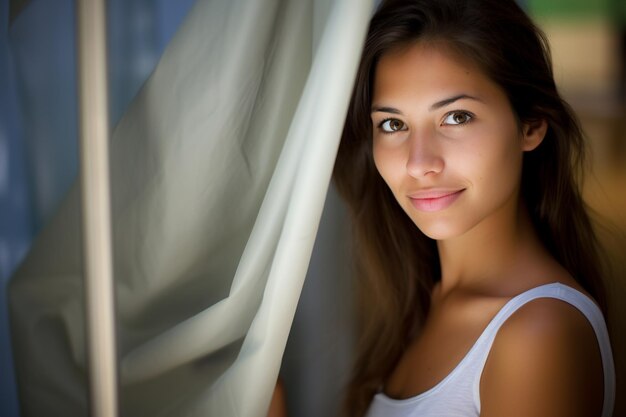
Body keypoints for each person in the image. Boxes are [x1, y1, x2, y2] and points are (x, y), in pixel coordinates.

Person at [332, 0, 616, 416]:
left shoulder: (537, 332)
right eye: (393, 124)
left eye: (456, 117)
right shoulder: (417, 301)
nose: (419, 163)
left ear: (531, 125)